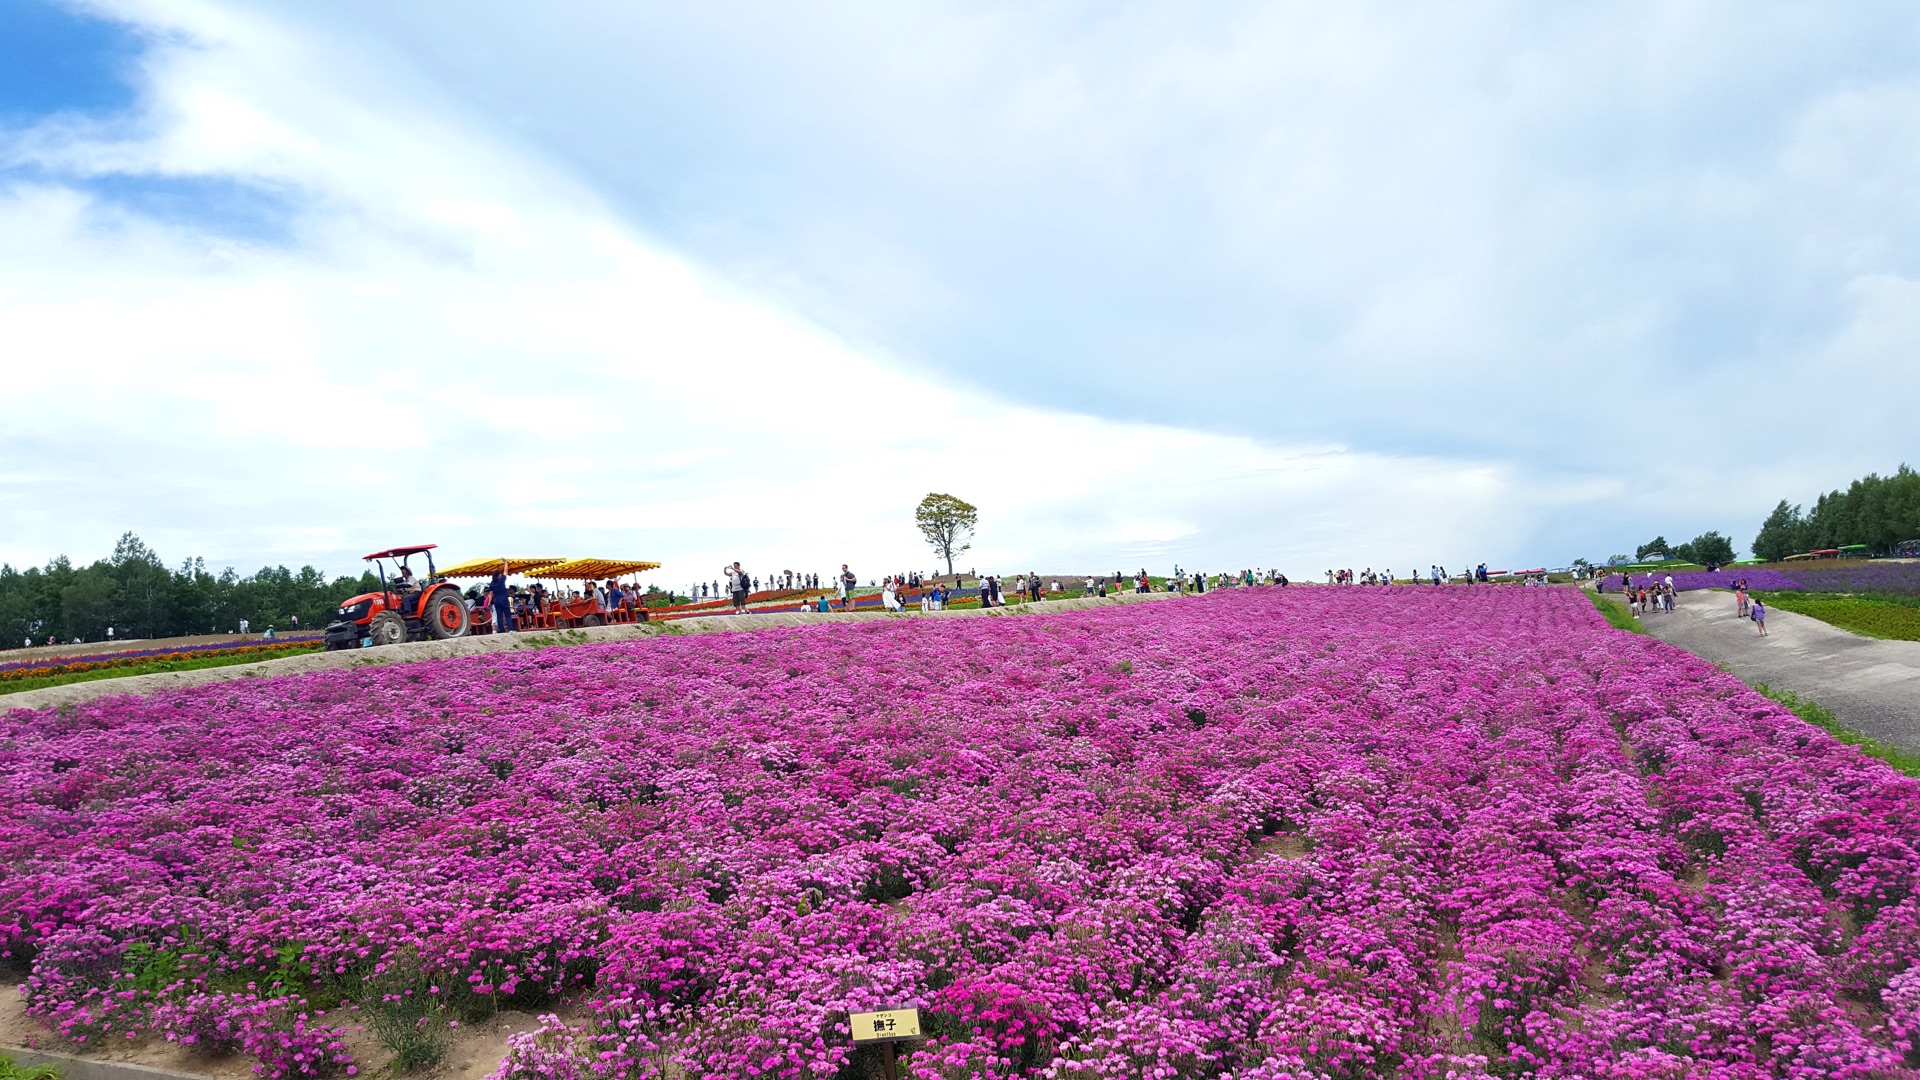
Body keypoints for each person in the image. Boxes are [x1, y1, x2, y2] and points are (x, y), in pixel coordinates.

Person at [491, 562, 515, 633]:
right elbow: (506, 571)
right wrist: (506, 563)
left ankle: (501, 629)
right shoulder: (501, 580)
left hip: (496, 600)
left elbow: (491, 593)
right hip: (504, 599)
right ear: (499, 575)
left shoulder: (492, 583)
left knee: (499, 616)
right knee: (507, 615)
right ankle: (510, 628)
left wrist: (489, 602)